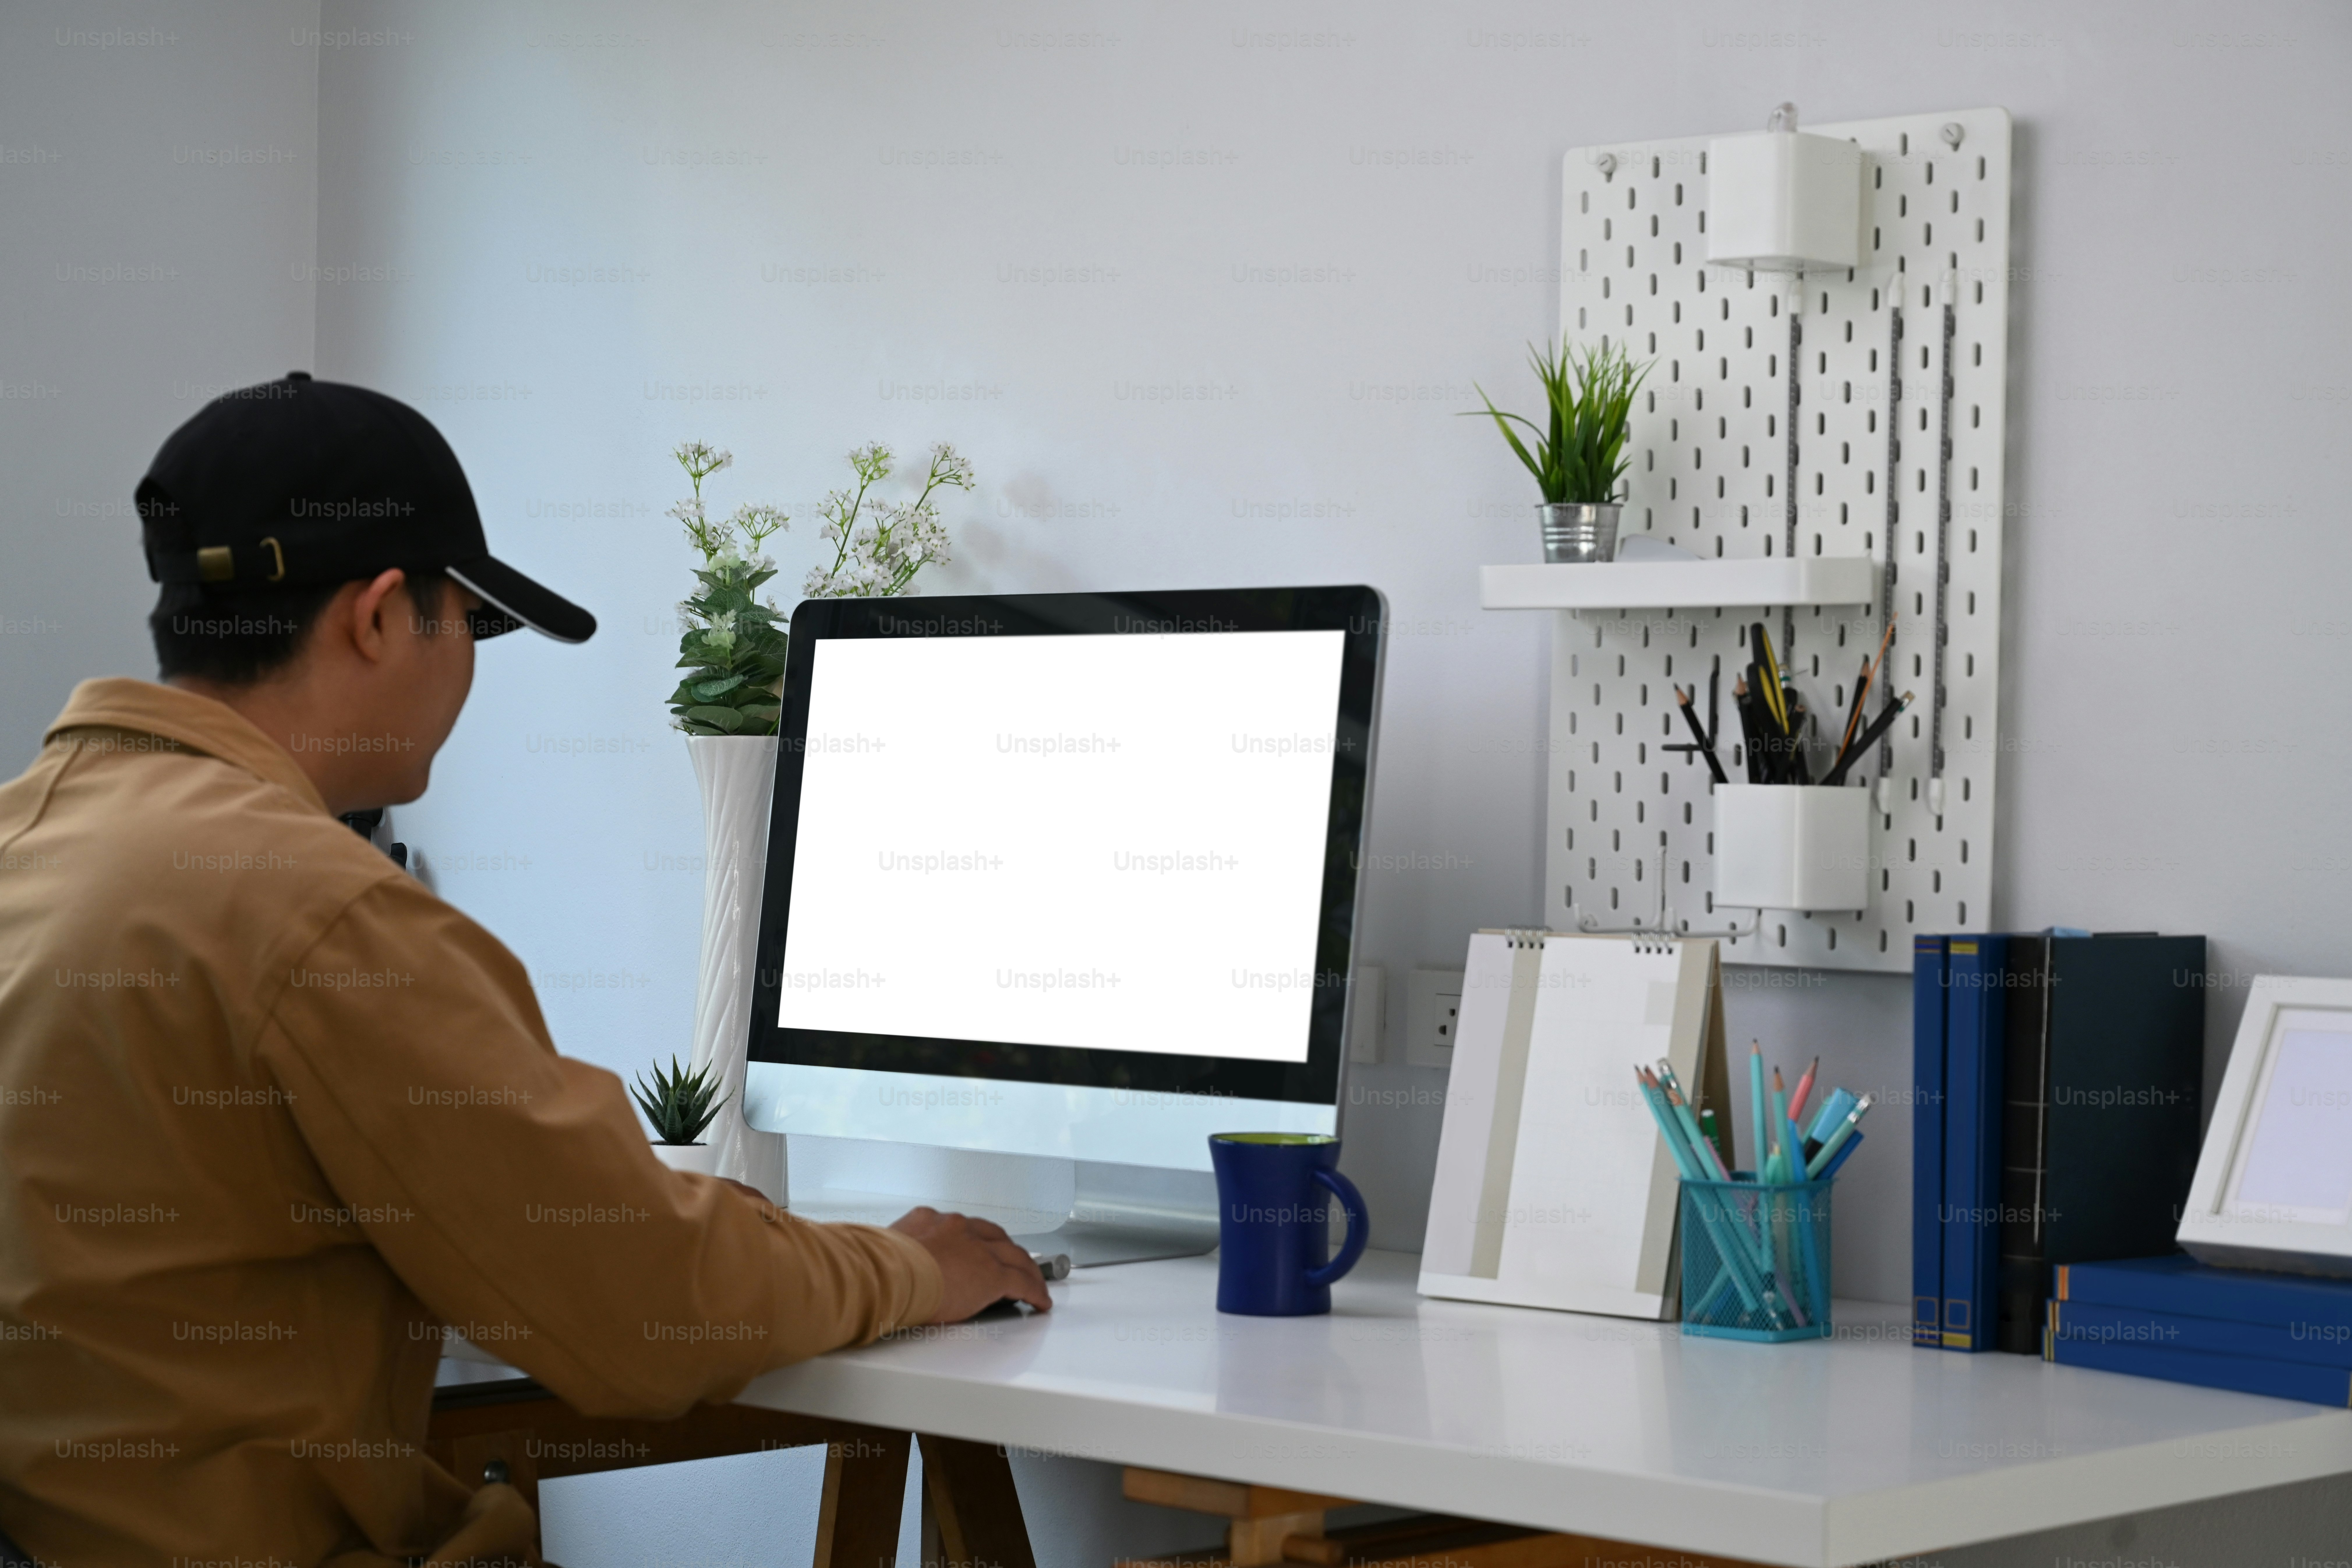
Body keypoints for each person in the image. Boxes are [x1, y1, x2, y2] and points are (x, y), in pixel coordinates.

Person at [0, 374, 1049, 1568]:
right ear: (382, 617)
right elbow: (643, 1304)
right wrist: (908, 1266)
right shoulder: (318, 910)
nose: (469, 673)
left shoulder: (29, 843)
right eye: (471, 624)